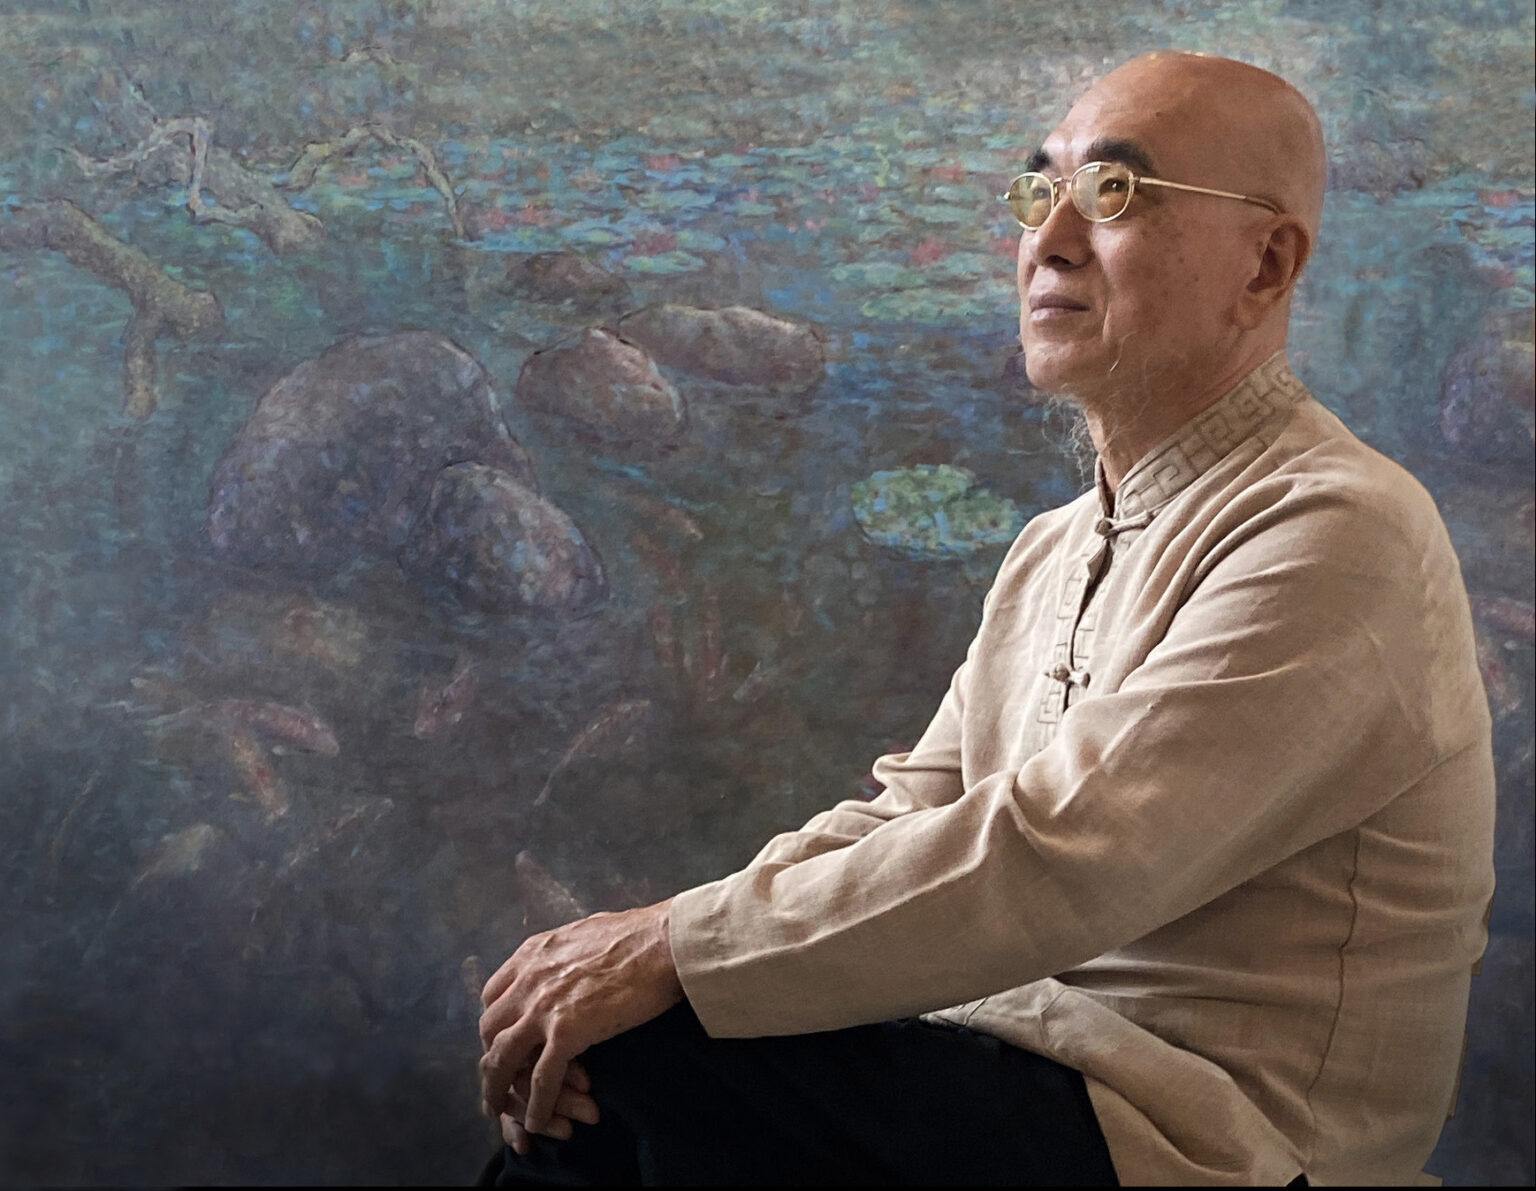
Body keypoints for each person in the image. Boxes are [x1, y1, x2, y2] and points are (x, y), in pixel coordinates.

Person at [476, 51, 1495, 1186]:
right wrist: (652, 951)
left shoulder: (1340, 529)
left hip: (1208, 1134)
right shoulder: (1054, 545)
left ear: (1267, 263)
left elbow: (1065, 855)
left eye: (1114, 192)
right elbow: (913, 812)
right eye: (1039, 190)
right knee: (613, 1046)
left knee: (651, 1058)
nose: (1048, 238)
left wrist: (675, 952)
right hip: (1022, 1062)